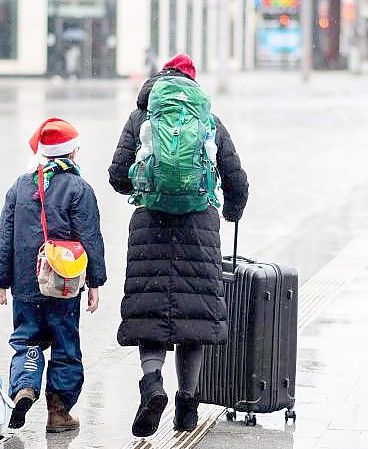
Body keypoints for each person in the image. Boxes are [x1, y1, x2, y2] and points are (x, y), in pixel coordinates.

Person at [108, 54, 249, 436]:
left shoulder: (142, 118)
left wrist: (140, 186)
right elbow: (237, 178)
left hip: (150, 226)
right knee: (193, 317)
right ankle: (187, 405)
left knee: (150, 311)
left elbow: (117, 175)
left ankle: (153, 384)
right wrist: (232, 210)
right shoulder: (208, 121)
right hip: (199, 228)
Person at [0, 118, 106, 433]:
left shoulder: (21, 185)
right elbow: (90, 238)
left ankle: (25, 386)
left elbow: (4, 236)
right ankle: (58, 413)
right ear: (71, 153)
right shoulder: (79, 188)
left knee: (27, 340)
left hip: (26, 285)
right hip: (64, 283)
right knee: (65, 344)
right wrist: (95, 283)